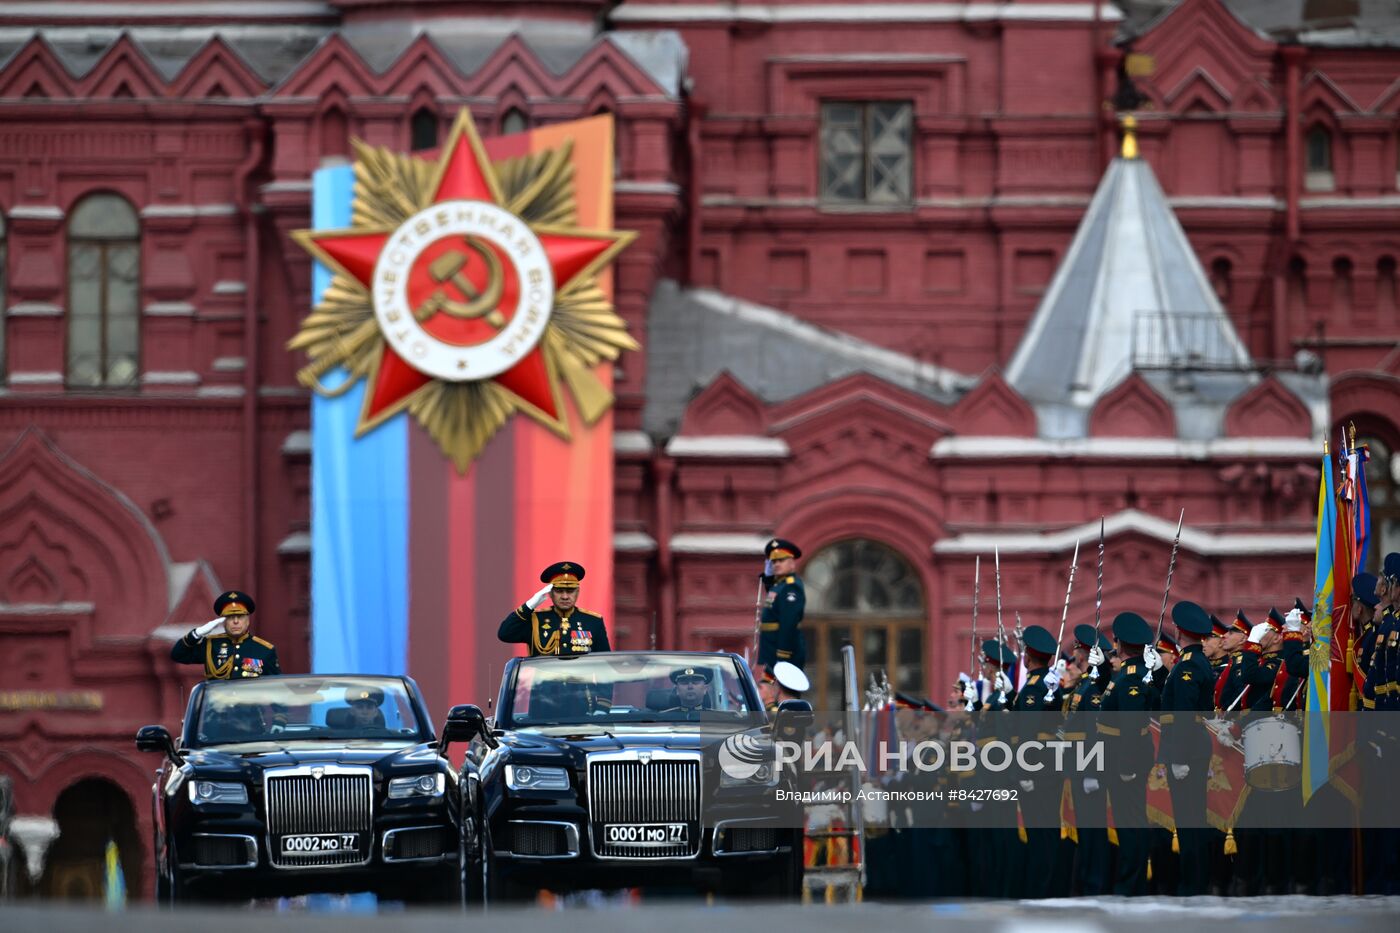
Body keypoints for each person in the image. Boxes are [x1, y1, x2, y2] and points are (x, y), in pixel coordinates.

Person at [1096, 611, 1161, 896]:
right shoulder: (1125, 674)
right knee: (1125, 821)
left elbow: (1133, 724)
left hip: (1127, 756)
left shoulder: (1132, 677)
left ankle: (1132, 882)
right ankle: (1129, 879)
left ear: (1121, 645)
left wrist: (1127, 763)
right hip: (1119, 754)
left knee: (1131, 821)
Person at [1158, 600, 1217, 896]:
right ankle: (1195, 880)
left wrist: (1178, 757)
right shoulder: (1197, 662)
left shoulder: (1188, 666)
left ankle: (1193, 883)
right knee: (1193, 818)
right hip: (1195, 745)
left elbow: (1182, 712)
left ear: (1180, 634)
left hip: (1187, 749)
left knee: (1189, 820)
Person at [499, 561, 610, 656]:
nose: (565, 596)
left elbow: (604, 661)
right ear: (550, 593)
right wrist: (529, 606)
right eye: (559, 591)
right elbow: (505, 634)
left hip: (581, 681)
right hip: (546, 681)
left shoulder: (593, 621)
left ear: (578, 592)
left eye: (570, 591)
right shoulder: (535, 620)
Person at [171, 590, 280, 680]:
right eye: (230, 617)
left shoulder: (264, 650)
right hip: (218, 706)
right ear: (223, 621)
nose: (236, 621)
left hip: (249, 706)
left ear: (248, 620)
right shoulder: (211, 645)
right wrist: (196, 634)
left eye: (240, 616)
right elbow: (178, 655)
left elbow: (276, 687)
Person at [757, 538, 806, 674]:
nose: (776, 564)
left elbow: (788, 621)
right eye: (774, 561)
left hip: (783, 653)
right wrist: (767, 579)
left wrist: (783, 653)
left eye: (781, 560)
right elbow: (775, 603)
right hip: (772, 650)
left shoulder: (791, 586)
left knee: (783, 693)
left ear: (792, 563)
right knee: (770, 692)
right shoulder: (779, 585)